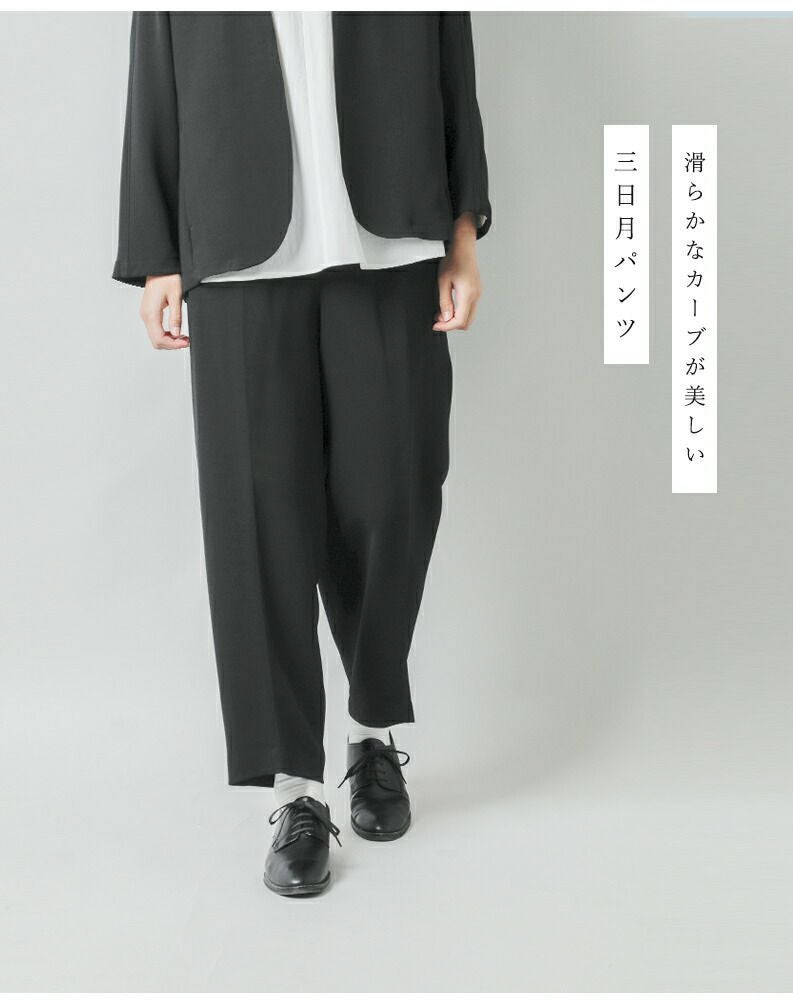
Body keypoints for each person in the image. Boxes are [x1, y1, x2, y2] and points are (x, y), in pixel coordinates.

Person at [113, 11, 490, 896]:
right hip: (236, 244)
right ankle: (295, 789)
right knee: (257, 524)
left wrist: (463, 235)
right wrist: (158, 253)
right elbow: (156, 65)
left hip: (391, 237)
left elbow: (450, 59)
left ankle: (371, 726)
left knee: (394, 491)